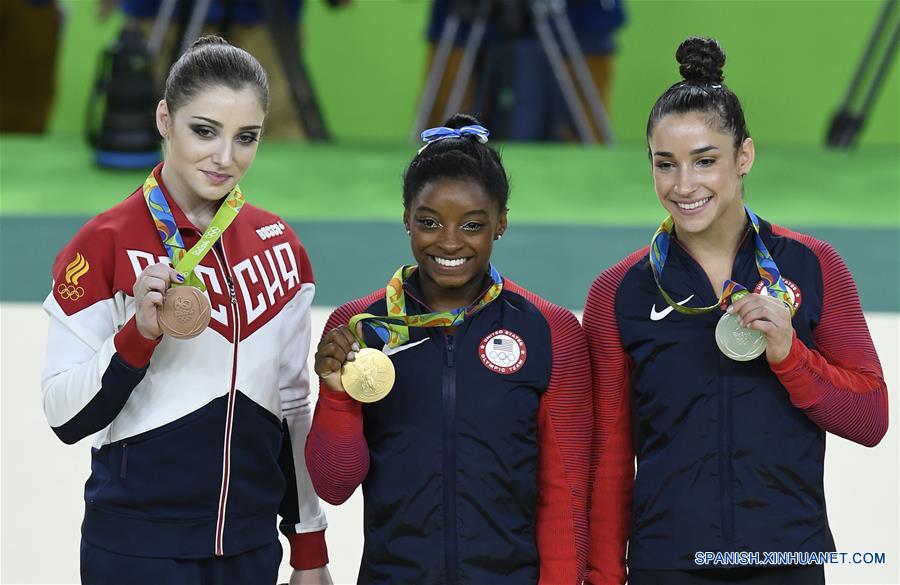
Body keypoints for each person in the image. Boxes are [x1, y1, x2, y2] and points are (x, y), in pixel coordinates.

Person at [583, 37, 889, 585]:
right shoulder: (618, 291)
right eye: (665, 164)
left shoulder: (815, 266)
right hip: (668, 565)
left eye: (706, 161)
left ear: (743, 156)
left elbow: (870, 420)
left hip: (785, 562)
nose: (684, 185)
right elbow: (608, 459)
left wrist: (790, 356)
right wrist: (605, 577)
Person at [42, 36, 332, 585]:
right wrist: (137, 336)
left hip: (249, 548)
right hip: (136, 550)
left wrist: (309, 547)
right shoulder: (101, 244)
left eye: (246, 138)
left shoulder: (281, 248)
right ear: (164, 119)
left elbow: (293, 404)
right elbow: (62, 415)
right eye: (205, 131)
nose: (226, 158)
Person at [305, 114, 592, 584]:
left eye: (472, 224)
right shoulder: (361, 331)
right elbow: (334, 486)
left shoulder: (549, 330)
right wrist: (337, 396)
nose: (450, 242)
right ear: (406, 220)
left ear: (500, 223)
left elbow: (567, 494)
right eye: (430, 222)